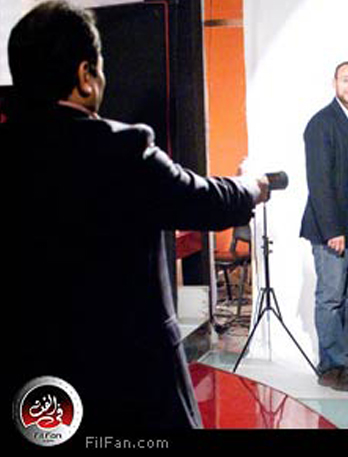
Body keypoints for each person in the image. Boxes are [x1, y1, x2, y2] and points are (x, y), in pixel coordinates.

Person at [4, 1, 269, 432]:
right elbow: (203, 199)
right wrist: (252, 186)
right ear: (85, 75)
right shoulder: (121, 149)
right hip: (127, 382)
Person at [300, 61, 348, 392]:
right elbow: (319, 182)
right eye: (346, 80)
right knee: (331, 297)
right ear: (334, 83)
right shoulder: (322, 123)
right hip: (332, 229)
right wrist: (333, 230)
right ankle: (330, 367)